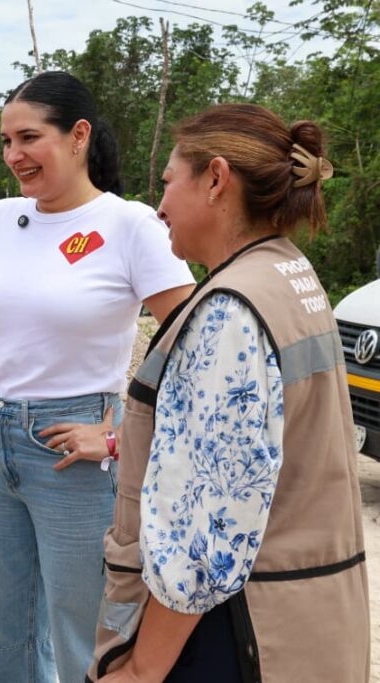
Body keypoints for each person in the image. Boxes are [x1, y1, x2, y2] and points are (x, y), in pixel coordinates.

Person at [0, 71, 195, 683]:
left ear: (78, 135)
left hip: (77, 455)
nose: (13, 155)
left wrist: (118, 436)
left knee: (83, 635)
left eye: (29, 138)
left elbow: (196, 345)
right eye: (6, 142)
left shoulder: (130, 225)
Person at [90, 104, 370, 682]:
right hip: (302, 618)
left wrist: (142, 668)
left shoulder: (229, 312)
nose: (159, 206)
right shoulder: (288, 272)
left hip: (234, 635)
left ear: (216, 179)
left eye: (168, 181)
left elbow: (208, 532)